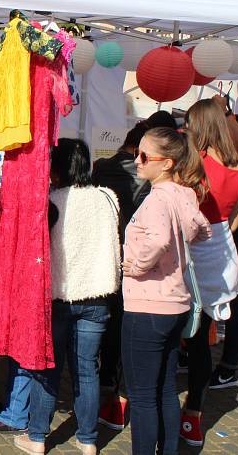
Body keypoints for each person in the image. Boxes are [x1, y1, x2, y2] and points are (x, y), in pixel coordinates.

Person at [16, 139, 121, 455]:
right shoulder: (107, 198)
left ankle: (37, 438)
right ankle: (88, 441)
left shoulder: (51, 201)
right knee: (87, 370)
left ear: (56, 166)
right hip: (98, 296)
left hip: (59, 297)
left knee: (48, 368)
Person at [121, 127, 211, 455]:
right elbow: (201, 229)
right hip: (175, 304)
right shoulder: (184, 194)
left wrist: (138, 264)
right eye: (137, 154)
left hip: (148, 305)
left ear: (168, 163)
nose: (138, 161)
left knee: (143, 396)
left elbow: (160, 239)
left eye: (145, 156)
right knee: (164, 390)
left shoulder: (159, 197)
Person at [180, 99, 238, 447]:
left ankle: (160, 408)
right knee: (201, 339)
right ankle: (194, 414)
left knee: (176, 331)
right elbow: (233, 219)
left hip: (193, 250)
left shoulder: (198, 164)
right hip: (221, 250)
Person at [91, 121, 150, 429]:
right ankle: (118, 388)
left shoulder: (102, 168)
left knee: (108, 317)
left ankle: (105, 377)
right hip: (134, 254)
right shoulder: (146, 176)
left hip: (106, 250)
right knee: (124, 321)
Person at [210, 113, 238, 390]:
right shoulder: (227, 165)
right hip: (225, 242)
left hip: (237, 241)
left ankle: (228, 369)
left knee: (234, 298)